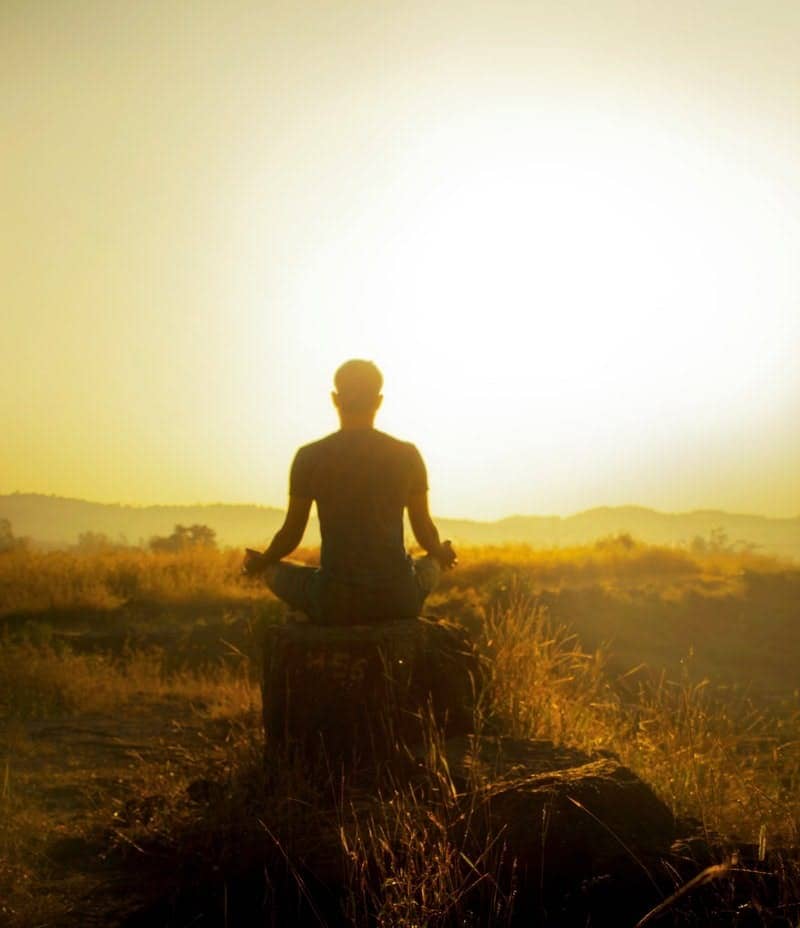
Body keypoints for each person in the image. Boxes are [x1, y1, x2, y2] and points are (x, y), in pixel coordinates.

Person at [242, 359, 457, 624]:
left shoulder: (310, 456)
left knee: (276, 570)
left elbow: (290, 535)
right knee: (430, 563)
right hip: (399, 599)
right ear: (378, 401)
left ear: (335, 398)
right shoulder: (406, 454)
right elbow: (424, 530)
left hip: (335, 599)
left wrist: (262, 561)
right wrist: (441, 552)